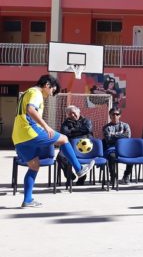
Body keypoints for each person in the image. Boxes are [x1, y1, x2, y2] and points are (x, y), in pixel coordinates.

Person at [13, 75, 95, 207]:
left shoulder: (26, 93)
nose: (51, 94)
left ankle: (27, 200)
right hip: (30, 131)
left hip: (18, 136)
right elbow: (30, 109)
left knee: (34, 166)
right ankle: (79, 169)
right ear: (47, 85)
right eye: (52, 90)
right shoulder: (36, 92)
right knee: (64, 139)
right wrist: (46, 126)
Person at [60, 105, 94, 185]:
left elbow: (87, 129)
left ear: (78, 112)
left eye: (73, 113)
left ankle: (82, 176)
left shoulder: (86, 120)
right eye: (69, 114)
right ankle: (70, 176)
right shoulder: (65, 123)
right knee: (60, 157)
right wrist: (80, 131)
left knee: (77, 157)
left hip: (85, 146)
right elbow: (64, 132)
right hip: (71, 146)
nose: (72, 115)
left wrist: (72, 131)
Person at [103, 107, 133, 185]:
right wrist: (121, 135)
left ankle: (126, 175)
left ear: (120, 115)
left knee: (131, 154)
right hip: (112, 148)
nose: (115, 116)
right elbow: (108, 140)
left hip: (124, 147)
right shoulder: (106, 127)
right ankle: (113, 177)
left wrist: (114, 136)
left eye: (117, 114)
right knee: (112, 157)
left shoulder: (125, 125)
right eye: (113, 114)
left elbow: (128, 136)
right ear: (110, 115)